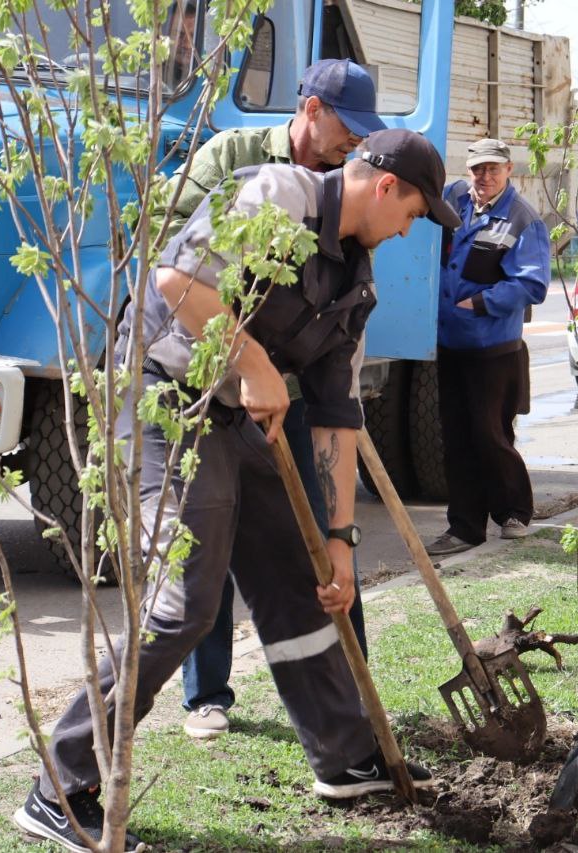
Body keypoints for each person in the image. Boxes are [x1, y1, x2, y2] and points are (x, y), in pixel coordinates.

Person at [13, 129, 462, 853]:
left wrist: (341, 539)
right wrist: (252, 359)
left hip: (232, 413)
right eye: (413, 212)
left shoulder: (356, 281)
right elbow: (177, 281)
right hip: (163, 398)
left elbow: (339, 419)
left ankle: (344, 753)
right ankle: (60, 786)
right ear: (384, 187)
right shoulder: (276, 194)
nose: (411, 228)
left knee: (301, 572)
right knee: (184, 602)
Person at [165, 57, 386, 742]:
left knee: (322, 529)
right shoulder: (231, 155)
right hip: (206, 380)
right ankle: (207, 695)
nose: (355, 141)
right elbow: (173, 257)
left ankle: (352, 689)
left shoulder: (342, 187)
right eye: (349, 126)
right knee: (208, 534)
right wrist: (240, 348)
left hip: (284, 389)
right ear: (312, 109)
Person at [424, 137, 549, 557]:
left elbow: (532, 284)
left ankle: (515, 511)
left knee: (490, 434)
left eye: (493, 169)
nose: (484, 177)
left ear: (509, 171)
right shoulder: (454, 200)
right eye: (478, 169)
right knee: (456, 437)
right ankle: (464, 527)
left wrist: (479, 302)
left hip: (492, 350)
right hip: (449, 344)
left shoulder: (522, 219)